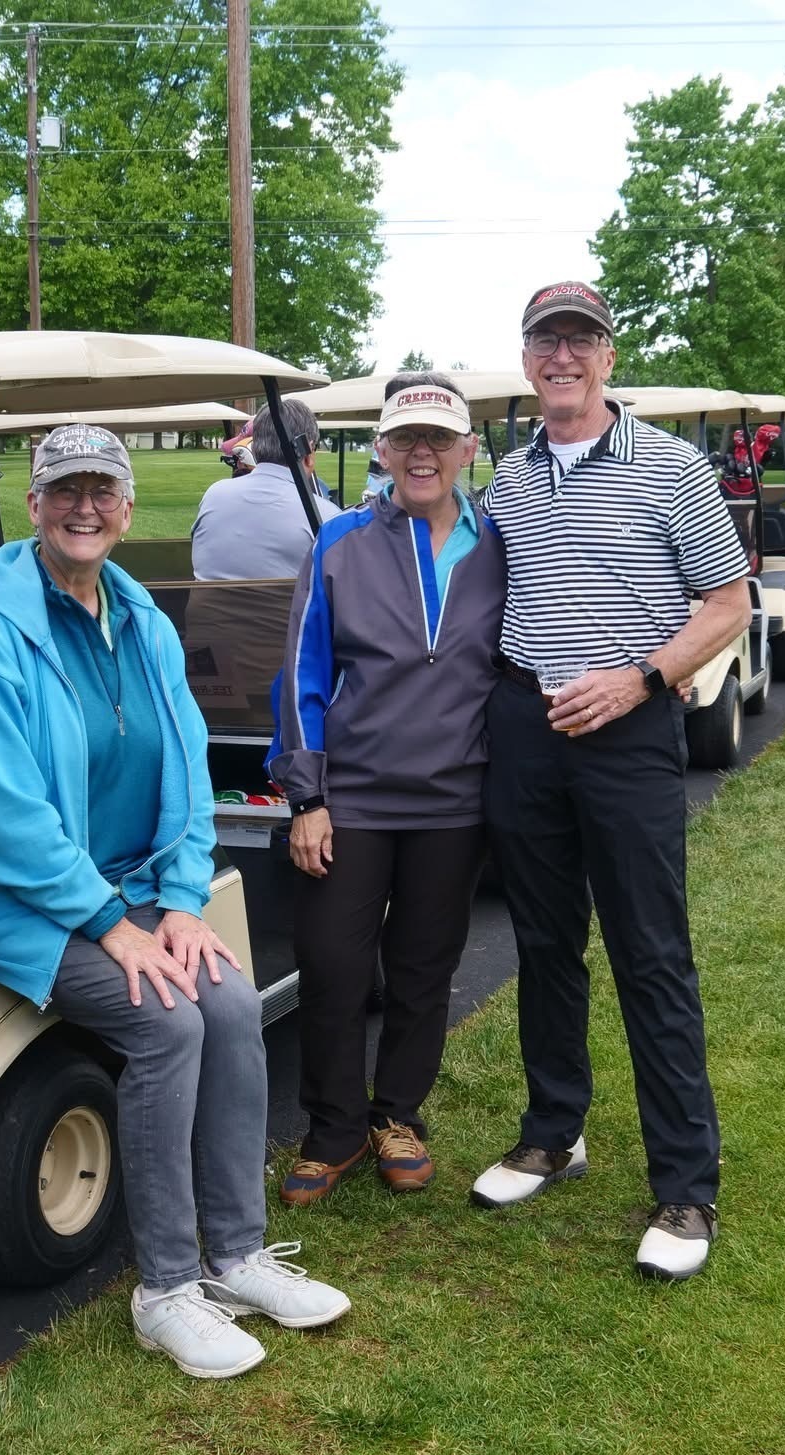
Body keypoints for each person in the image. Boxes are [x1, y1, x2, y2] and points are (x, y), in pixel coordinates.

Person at [0, 425, 351, 1380]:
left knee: (232, 1004)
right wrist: (109, 923)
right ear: (35, 505)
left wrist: (178, 902)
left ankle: (236, 1255)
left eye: (102, 491)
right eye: (64, 490)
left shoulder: (145, 620)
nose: (84, 508)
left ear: (127, 509)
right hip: (23, 901)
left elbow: (186, 775)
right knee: (168, 1022)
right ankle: (164, 1288)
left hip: (132, 891)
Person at [474, 281, 751, 1283]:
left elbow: (728, 601)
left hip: (629, 728)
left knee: (649, 952)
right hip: (526, 725)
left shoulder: (670, 465)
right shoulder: (506, 479)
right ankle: (554, 1133)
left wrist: (640, 678)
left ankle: (685, 1186)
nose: (562, 357)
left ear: (607, 356)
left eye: (579, 340)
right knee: (544, 941)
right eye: (545, 341)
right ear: (525, 359)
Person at [267, 374, 506, 1205]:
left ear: (467, 449)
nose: (422, 453)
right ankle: (334, 1128)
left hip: (457, 798)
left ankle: (398, 1114)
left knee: (423, 967)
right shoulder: (339, 542)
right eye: (406, 439)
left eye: (439, 438)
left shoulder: (499, 542)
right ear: (382, 450)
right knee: (332, 962)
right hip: (354, 795)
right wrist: (307, 797)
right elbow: (301, 673)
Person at [190, 398, 342, 580]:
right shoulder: (326, 515)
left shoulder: (214, 495)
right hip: (293, 600)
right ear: (308, 452)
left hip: (204, 600)